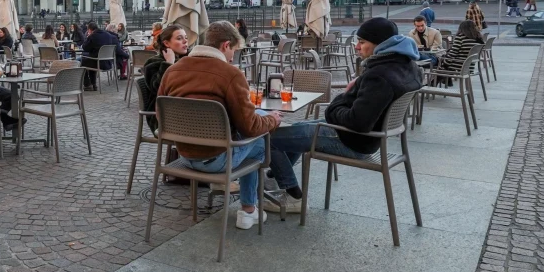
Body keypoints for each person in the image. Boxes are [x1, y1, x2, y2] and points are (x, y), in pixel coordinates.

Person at [267, 18, 421, 213]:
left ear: (380, 44)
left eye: (362, 42)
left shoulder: (380, 76)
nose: (357, 47)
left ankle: (293, 196)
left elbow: (357, 122)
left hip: (352, 139)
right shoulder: (406, 65)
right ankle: (274, 175)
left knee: (269, 137)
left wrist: (340, 100)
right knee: (295, 129)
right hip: (367, 138)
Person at [158, 21, 282, 230]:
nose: (233, 56)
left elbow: (161, 115)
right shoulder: (231, 74)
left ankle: (250, 208)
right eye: (233, 50)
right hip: (217, 160)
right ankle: (249, 209)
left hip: (184, 156)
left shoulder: (173, 70)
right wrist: (272, 120)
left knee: (255, 131)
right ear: (225, 45)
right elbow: (250, 127)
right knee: (262, 140)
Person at [80, 21, 128, 91]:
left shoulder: (93, 36)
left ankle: (88, 84)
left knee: (84, 61)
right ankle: (93, 84)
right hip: (108, 62)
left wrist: (88, 37)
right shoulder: (108, 35)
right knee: (90, 60)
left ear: (89, 29)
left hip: (98, 63)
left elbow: (85, 47)